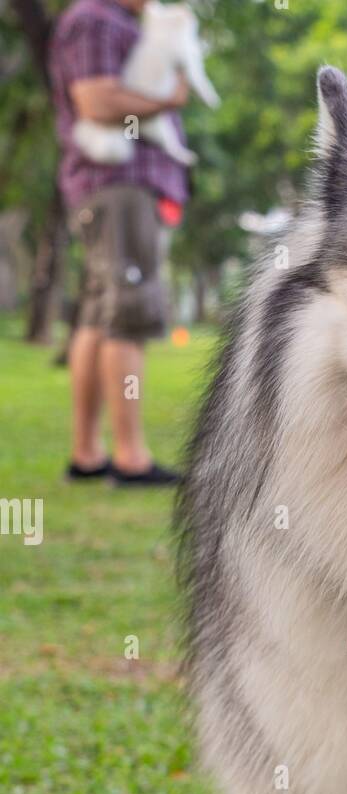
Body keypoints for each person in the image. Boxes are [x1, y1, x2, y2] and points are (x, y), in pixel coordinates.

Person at [49, 0, 190, 485]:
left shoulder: (106, 21)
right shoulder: (95, 18)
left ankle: (87, 454)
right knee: (128, 313)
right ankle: (131, 458)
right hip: (119, 185)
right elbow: (97, 101)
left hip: (105, 189)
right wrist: (169, 98)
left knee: (97, 314)